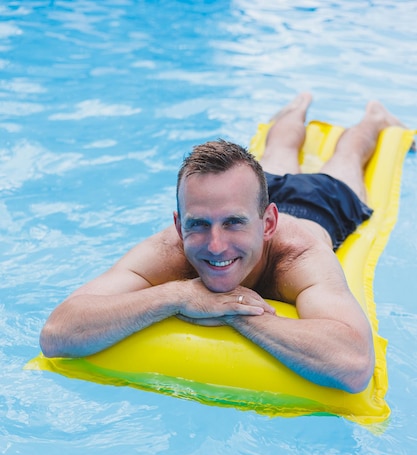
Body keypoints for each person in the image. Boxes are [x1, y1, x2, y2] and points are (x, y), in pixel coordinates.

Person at [39, 93, 410, 393]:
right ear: (179, 226)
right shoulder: (169, 248)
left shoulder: (299, 256)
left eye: (232, 224)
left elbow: (355, 364)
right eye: (199, 225)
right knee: (278, 148)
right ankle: (296, 107)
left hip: (318, 206)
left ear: (269, 223)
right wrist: (178, 296)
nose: (215, 246)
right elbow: (57, 333)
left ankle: (373, 118)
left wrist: (234, 311)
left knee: (347, 156)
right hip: (248, 192)